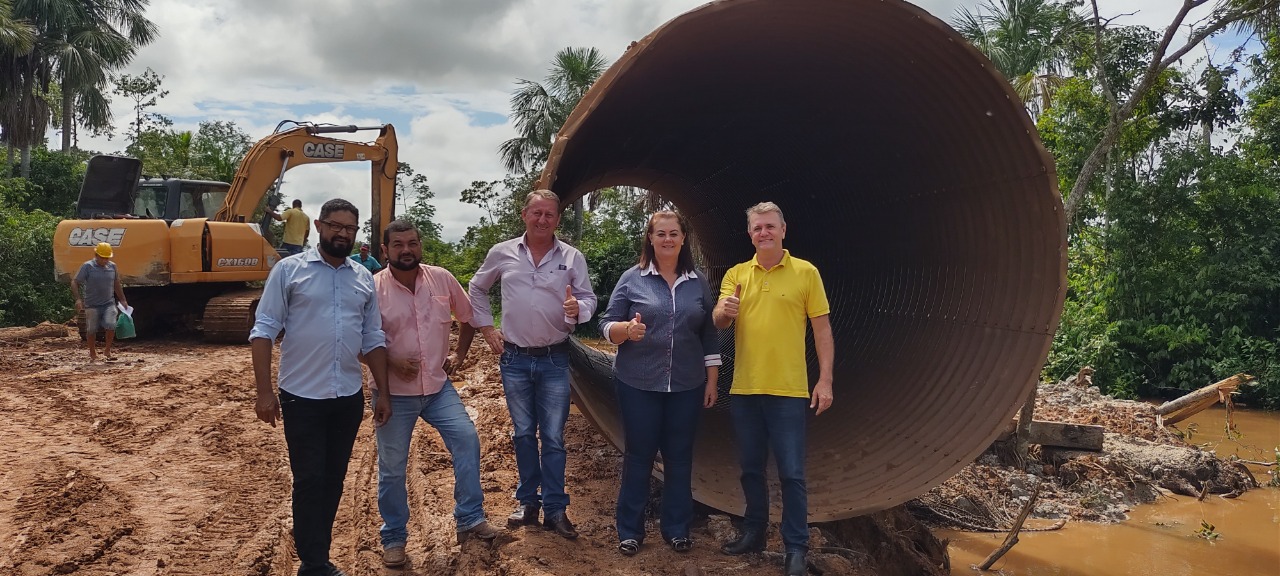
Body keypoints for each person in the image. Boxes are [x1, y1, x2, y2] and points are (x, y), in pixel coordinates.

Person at [249, 198, 391, 576]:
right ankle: (313, 563)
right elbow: (264, 330)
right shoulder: (288, 271)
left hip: (347, 397)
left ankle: (317, 553)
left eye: (350, 228)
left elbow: (373, 336)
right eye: (335, 226)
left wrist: (383, 390)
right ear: (318, 225)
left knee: (333, 479)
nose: (342, 234)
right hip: (302, 397)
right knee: (310, 479)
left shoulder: (361, 277)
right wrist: (264, 392)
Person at [370, 220, 501, 567]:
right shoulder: (371, 289)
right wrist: (392, 362)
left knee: (467, 439)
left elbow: (468, 317)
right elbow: (358, 340)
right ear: (385, 250)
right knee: (393, 469)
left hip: (438, 389)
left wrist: (458, 354)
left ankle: (471, 518)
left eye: (412, 243)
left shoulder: (441, 279)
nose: (406, 250)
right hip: (393, 394)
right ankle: (394, 538)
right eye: (398, 245)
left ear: (420, 245)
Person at [712, 202, 833, 576]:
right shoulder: (736, 274)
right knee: (750, 468)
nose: (763, 233)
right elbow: (717, 321)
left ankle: (796, 548)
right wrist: (725, 312)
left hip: (789, 392)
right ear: (749, 234)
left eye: (769, 227)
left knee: (792, 473)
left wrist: (825, 379)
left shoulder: (805, 273)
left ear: (784, 229)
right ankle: (755, 532)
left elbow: (822, 329)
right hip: (746, 389)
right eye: (756, 228)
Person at [467, 189, 597, 540]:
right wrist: (486, 328)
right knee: (523, 434)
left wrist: (578, 311)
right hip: (514, 358)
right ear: (524, 215)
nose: (542, 220)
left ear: (557, 219)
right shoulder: (503, 253)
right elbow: (476, 288)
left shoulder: (571, 257)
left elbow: (588, 298)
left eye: (549, 215)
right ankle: (528, 503)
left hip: (555, 357)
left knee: (553, 437)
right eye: (536, 213)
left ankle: (555, 509)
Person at [597, 210, 721, 557]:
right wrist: (625, 331)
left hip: (687, 384)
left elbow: (709, 334)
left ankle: (677, 529)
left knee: (680, 458)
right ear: (650, 239)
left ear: (684, 239)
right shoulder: (632, 278)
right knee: (639, 456)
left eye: (674, 234)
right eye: (660, 234)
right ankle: (630, 530)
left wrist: (711, 380)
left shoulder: (697, 282)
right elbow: (605, 323)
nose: (667, 239)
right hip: (638, 384)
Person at [70, 242, 129, 364]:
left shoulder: (112, 267)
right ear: (96, 255)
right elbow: (75, 282)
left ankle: (107, 350)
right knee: (91, 330)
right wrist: (78, 299)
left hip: (109, 303)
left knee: (111, 325)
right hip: (92, 305)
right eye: (102, 257)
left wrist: (122, 299)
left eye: (107, 258)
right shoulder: (88, 267)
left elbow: (116, 284)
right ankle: (92, 353)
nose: (105, 260)